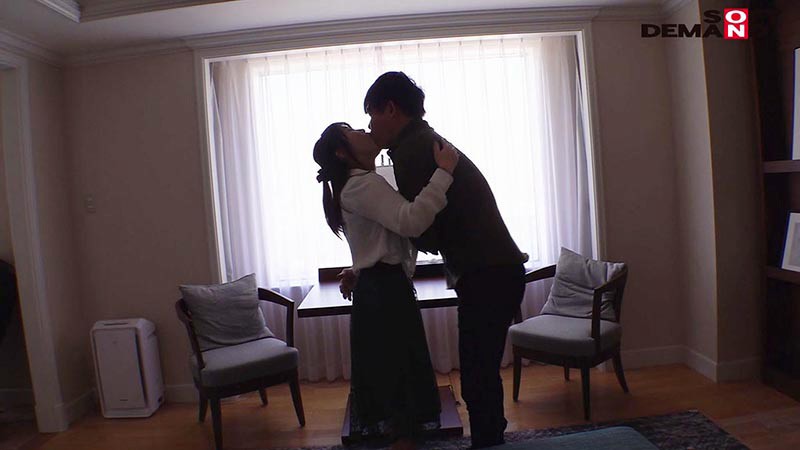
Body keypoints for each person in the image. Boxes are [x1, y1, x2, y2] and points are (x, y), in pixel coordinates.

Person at [361, 71, 528, 448]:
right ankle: (490, 438)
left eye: (372, 114)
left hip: (488, 274)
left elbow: (424, 232)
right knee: (480, 371)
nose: (370, 126)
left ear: (390, 109)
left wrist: (387, 218)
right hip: (497, 271)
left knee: (477, 374)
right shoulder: (425, 141)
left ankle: (488, 442)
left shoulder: (411, 151)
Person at [312, 122, 459, 449]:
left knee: (393, 382)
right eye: (352, 131)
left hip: (379, 289)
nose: (363, 130)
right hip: (385, 294)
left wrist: (358, 269)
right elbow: (411, 221)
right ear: (342, 152)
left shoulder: (358, 184)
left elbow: (379, 240)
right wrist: (444, 173)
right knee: (399, 386)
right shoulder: (361, 184)